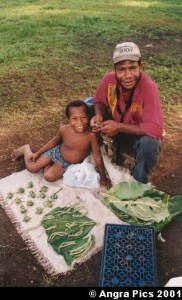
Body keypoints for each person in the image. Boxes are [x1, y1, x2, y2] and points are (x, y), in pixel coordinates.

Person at [90, 42, 163, 184]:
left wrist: (118, 127)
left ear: (140, 67)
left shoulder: (148, 87)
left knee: (150, 145)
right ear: (115, 70)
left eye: (133, 68)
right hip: (113, 126)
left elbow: (156, 128)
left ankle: (139, 181)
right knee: (83, 109)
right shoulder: (108, 80)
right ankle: (87, 154)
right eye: (121, 69)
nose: (128, 75)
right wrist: (98, 115)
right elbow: (98, 101)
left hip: (135, 133)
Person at [11, 100, 112, 189]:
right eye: (74, 118)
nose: (80, 122)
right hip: (56, 152)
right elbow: (54, 141)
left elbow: (97, 156)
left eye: (83, 117)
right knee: (32, 168)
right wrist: (37, 153)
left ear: (89, 117)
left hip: (66, 164)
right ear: (68, 119)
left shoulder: (91, 135)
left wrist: (103, 178)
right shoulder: (64, 129)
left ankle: (48, 164)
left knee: (48, 177)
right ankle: (25, 149)